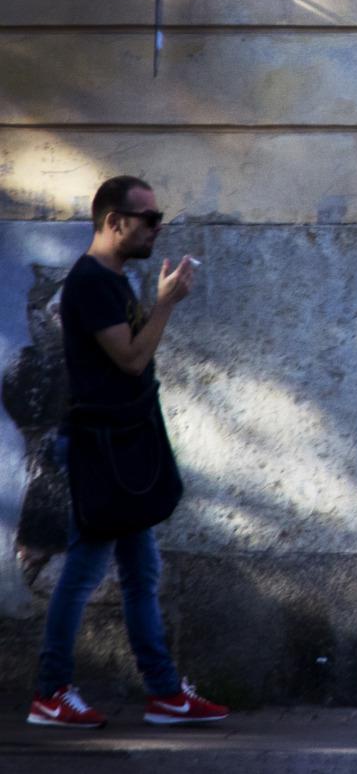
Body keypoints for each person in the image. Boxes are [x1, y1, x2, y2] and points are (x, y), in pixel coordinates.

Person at [29, 177, 227, 730]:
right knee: (85, 570)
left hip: (123, 446)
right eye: (148, 218)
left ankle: (164, 692)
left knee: (142, 574)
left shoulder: (114, 280)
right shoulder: (90, 283)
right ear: (113, 221)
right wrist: (164, 306)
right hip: (100, 450)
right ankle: (51, 691)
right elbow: (132, 360)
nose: (157, 227)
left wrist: (155, 302)